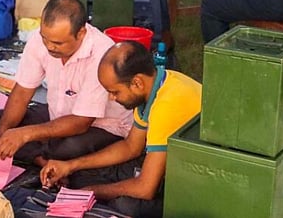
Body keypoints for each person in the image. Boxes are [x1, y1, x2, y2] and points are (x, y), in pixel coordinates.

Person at [40, 41, 202, 218]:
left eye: (115, 92)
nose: (111, 98)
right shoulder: (156, 84)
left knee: (125, 205)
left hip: (192, 185)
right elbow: (131, 147)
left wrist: (92, 191)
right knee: (81, 174)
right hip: (172, 166)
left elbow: (145, 188)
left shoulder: (167, 107)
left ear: (137, 83)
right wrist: (70, 166)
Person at [0, 0, 132, 165]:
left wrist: (25, 135)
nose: (49, 46)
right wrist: (1, 134)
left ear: (81, 33)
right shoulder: (39, 40)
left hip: (101, 125)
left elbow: (82, 122)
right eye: (44, 38)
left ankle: (44, 156)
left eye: (58, 43)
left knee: (68, 147)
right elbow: (22, 93)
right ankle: (43, 160)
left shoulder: (102, 54)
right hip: (58, 115)